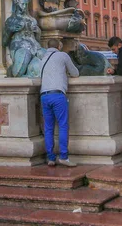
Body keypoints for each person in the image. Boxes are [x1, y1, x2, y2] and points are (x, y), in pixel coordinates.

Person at [40, 39, 79, 168]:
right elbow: (75, 73)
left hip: (44, 95)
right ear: (59, 46)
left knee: (48, 128)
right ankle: (63, 157)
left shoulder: (42, 58)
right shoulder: (63, 55)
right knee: (63, 125)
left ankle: (51, 158)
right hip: (57, 95)